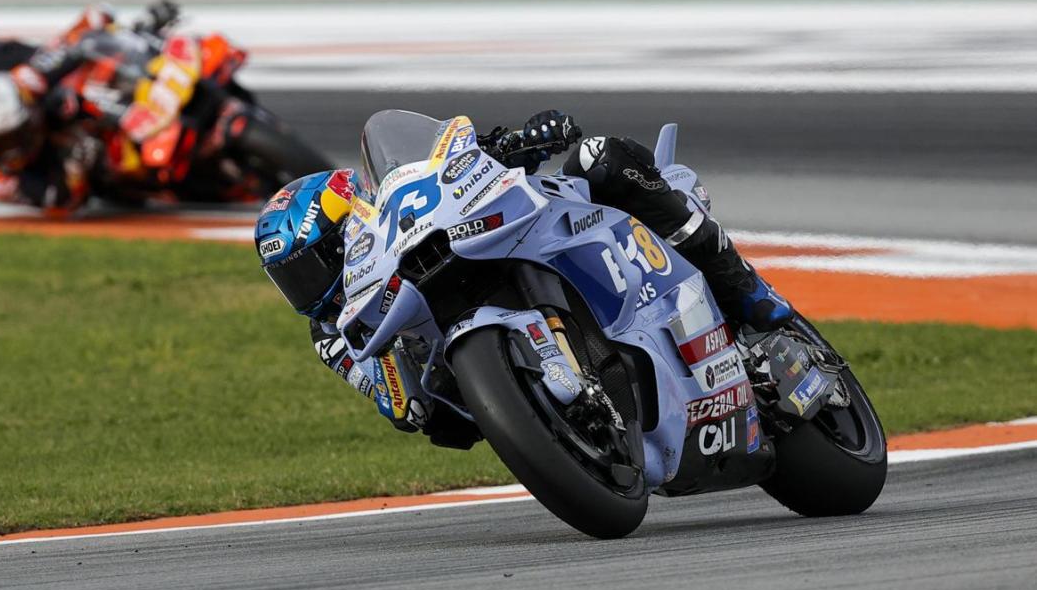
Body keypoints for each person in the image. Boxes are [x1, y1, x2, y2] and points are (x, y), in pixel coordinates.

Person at [254, 110, 792, 441]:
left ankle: (746, 290)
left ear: (356, 224)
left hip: (517, 237)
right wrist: (400, 382)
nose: (312, 286)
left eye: (316, 262)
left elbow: (461, 164)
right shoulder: (335, 332)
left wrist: (522, 140)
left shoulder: (401, 210)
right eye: (291, 278)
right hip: (462, 380)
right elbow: (403, 406)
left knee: (597, 159)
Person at [0, 1, 181, 218]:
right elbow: (58, 201)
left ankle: (150, 41)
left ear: (30, 114)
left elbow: (65, 46)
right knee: (120, 179)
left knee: (95, 75)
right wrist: (75, 171)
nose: (11, 149)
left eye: (14, 136)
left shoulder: (27, 83)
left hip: (73, 118)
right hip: (59, 167)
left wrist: (98, 23)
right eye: (0, 142)